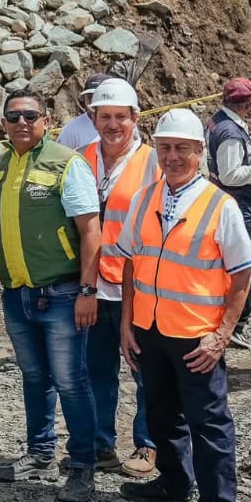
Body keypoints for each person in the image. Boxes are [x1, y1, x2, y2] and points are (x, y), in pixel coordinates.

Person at [117, 108, 251, 502]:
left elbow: (242, 275)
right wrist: (126, 322)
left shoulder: (220, 205)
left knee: (208, 423)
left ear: (199, 152)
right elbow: (129, 263)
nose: (172, 156)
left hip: (197, 337)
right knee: (160, 415)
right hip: (150, 329)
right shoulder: (144, 199)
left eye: (182, 148)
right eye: (165, 148)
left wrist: (221, 335)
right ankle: (175, 482)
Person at [0, 92, 103, 502]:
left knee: (70, 381)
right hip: (18, 292)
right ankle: (40, 454)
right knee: (34, 378)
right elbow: (7, 210)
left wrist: (88, 290)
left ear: (46, 121)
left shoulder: (66, 163)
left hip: (63, 293)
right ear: (3, 123)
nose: (21, 122)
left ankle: (83, 465)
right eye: (13, 116)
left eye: (30, 115)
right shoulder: (4, 164)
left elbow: (91, 230)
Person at [79, 79, 159, 479]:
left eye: (120, 117)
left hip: (138, 286)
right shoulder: (80, 158)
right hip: (93, 284)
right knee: (96, 369)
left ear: (135, 119)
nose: (112, 125)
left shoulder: (153, 161)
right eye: (105, 116)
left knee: (146, 370)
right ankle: (100, 444)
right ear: (93, 117)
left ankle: (149, 444)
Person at [207, 79, 251, 350]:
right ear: (246, 104)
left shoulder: (218, 122)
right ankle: (236, 325)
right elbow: (230, 175)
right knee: (250, 265)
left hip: (231, 202)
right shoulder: (230, 134)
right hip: (240, 206)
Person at [55, 73, 111, 150]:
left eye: (99, 96)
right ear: (84, 98)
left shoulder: (120, 126)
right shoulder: (71, 130)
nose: (94, 101)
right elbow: (59, 155)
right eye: (90, 97)